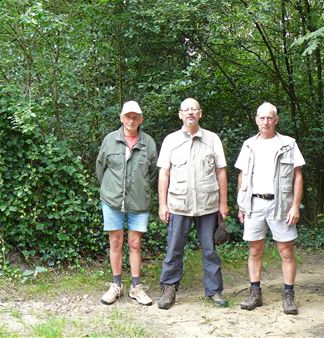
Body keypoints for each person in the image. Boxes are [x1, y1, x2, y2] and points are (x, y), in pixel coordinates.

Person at [156, 97, 229, 310]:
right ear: (180, 114)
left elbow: (221, 172)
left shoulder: (213, 139)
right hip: (178, 204)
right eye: (186, 110)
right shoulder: (170, 140)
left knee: (210, 250)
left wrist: (223, 203)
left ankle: (214, 291)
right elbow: (164, 174)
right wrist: (162, 204)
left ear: (200, 113)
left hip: (208, 205)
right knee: (174, 248)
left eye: (194, 109)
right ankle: (169, 288)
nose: (190, 113)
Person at [235, 102, 305, 314]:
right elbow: (241, 176)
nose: (265, 122)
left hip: (281, 205)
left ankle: (289, 295)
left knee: (285, 251)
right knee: (255, 250)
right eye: (262, 118)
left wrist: (295, 206)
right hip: (254, 204)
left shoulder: (288, 144)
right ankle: (255, 293)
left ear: (276, 120)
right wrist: (241, 205)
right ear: (256, 120)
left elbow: (298, 176)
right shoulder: (248, 145)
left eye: (270, 118)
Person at [96, 100, 157, 306]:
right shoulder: (109, 140)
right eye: (127, 116)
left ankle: (136, 287)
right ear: (121, 118)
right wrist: (110, 189)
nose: (131, 120)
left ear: (141, 119)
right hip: (112, 200)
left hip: (139, 202)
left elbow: (153, 174)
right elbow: (100, 168)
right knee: (115, 241)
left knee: (135, 244)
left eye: (135, 117)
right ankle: (116, 285)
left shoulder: (148, 142)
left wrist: (141, 189)